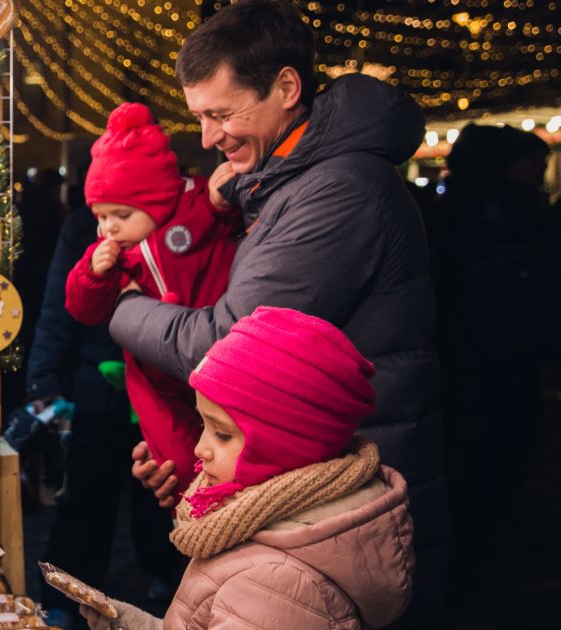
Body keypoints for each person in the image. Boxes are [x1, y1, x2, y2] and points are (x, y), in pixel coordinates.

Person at [108, 0, 447, 617]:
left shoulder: (336, 192)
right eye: (200, 117)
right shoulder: (288, 182)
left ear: (286, 87)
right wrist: (195, 446)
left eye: (221, 113)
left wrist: (123, 305)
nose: (208, 138)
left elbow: (228, 345)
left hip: (349, 492)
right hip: (309, 480)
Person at [81, 307, 414, 630]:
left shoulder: (273, 584)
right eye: (203, 426)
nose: (200, 449)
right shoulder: (258, 544)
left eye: (222, 433)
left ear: (286, 447)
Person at [64, 101, 240, 502]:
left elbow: (228, 222)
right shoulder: (113, 255)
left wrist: (219, 198)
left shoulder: (196, 209)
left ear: (156, 201)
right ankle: (191, 517)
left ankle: (225, 513)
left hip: (214, 356)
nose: (108, 227)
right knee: (173, 462)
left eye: (121, 214)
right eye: (101, 216)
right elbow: (82, 308)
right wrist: (93, 273)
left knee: (228, 452)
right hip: (152, 377)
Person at [26, 197, 186, 624]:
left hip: (166, 386)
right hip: (95, 386)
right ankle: (66, 596)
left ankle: (172, 582)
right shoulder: (83, 223)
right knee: (83, 499)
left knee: (165, 496)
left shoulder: (178, 219)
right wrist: (43, 383)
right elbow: (58, 309)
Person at [431, 124, 557, 603]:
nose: (540, 173)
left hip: (465, 361)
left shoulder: (451, 213)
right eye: (535, 163)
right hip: (494, 361)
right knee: (496, 463)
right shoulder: (511, 215)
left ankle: (470, 569)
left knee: (474, 466)